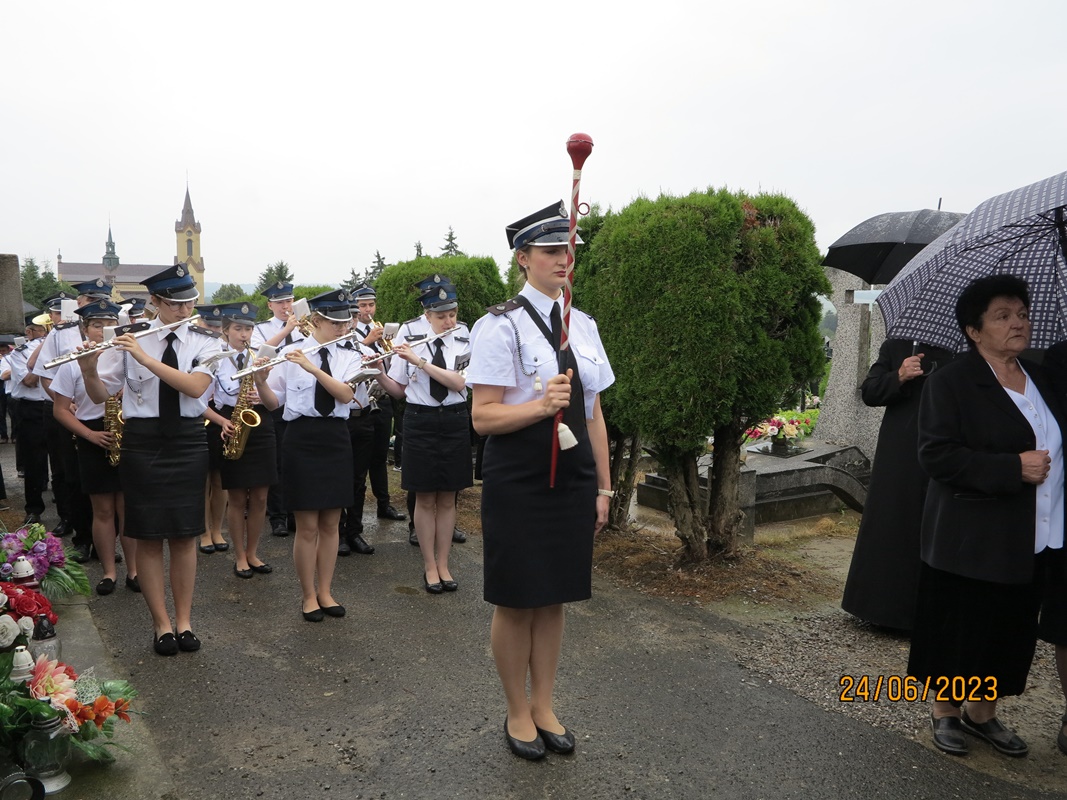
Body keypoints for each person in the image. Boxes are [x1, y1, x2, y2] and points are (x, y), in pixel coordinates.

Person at [467, 203, 614, 760]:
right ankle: (516, 710)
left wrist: (603, 487)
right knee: (517, 599)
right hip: (520, 478)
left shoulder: (585, 325)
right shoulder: (499, 325)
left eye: (568, 250)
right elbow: (483, 418)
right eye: (550, 251)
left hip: (573, 479)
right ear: (523, 259)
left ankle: (544, 704)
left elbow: (594, 413)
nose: (563, 260)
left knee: (554, 597)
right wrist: (539, 406)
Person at [908, 274, 1066, 758]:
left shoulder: (1041, 377)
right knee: (962, 626)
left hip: (1035, 533)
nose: (1018, 323)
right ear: (974, 331)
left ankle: (982, 713)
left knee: (1007, 629)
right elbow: (936, 455)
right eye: (1003, 316)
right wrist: (1012, 468)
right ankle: (946, 711)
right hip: (971, 535)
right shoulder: (952, 381)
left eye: (1022, 314)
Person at [78, 265, 223, 656]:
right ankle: (161, 625)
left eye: (189, 303)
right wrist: (89, 370)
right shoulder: (130, 339)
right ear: (155, 302)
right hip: (142, 443)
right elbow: (99, 395)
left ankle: (185, 621)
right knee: (148, 535)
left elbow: (195, 386)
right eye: (175, 304)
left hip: (188, 440)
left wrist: (144, 358)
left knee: (185, 535)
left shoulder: (204, 340)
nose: (185, 310)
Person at [841, 338, 954, 630]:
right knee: (893, 522)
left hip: (947, 446)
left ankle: (933, 616)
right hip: (901, 449)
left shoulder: (965, 350)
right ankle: (881, 609)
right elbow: (870, 391)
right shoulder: (898, 346)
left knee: (938, 527)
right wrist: (900, 375)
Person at [266, 289, 361, 622]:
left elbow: (346, 394)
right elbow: (273, 402)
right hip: (301, 437)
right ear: (316, 320)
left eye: (345, 322)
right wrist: (260, 380)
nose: (342, 328)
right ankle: (308, 595)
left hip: (335, 437)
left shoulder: (349, 354)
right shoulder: (289, 353)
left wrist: (312, 368)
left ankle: (326, 591)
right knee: (307, 526)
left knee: (332, 522)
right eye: (335, 323)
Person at [374, 276, 472, 593]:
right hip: (420, 420)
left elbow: (459, 383)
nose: (449, 321)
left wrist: (420, 361)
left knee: (448, 497)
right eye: (441, 316)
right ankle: (430, 565)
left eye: (452, 314)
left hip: (455, 418)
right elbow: (399, 390)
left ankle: (444, 564)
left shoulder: (464, 335)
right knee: (425, 497)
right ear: (427, 315)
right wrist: (378, 372)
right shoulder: (409, 335)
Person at [50, 299, 138, 595]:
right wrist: (89, 435)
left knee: (127, 508)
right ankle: (109, 572)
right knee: (102, 510)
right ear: (84, 329)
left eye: (109, 324)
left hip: (127, 433)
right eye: (97, 325)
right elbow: (60, 410)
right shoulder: (72, 362)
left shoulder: (129, 356)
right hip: (94, 434)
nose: (103, 330)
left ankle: (134, 570)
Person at [203, 303, 279, 578]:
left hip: (260, 422)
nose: (244, 334)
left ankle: (253, 552)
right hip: (229, 422)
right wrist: (221, 421)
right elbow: (199, 403)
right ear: (225, 331)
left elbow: (273, 404)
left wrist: (261, 384)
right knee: (236, 497)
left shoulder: (262, 357)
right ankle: (239, 556)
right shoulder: (213, 358)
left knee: (260, 496)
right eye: (238, 328)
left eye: (248, 328)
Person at [338, 285, 405, 557]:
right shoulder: (339, 345)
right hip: (344, 416)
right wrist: (366, 345)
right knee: (342, 476)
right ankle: (339, 533)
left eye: (357, 315)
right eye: (353, 314)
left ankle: (355, 531)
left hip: (368, 411)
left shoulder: (361, 341)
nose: (356, 319)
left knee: (359, 476)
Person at [252, 281, 306, 538]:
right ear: (270, 305)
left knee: (299, 462)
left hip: (301, 400)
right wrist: (286, 330)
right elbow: (259, 355)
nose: (286, 306)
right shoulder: (261, 329)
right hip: (274, 399)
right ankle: (278, 516)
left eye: (289, 301)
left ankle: (296, 513)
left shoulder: (305, 326)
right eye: (280, 302)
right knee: (278, 462)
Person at [7, 316, 50, 526]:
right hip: (31, 408)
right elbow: (30, 381)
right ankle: (33, 509)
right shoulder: (21, 352)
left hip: (57, 405)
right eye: (42, 330)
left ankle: (68, 514)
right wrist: (44, 350)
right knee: (34, 461)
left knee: (63, 463)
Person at [196, 305, 229, 555]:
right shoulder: (194, 352)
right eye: (209, 326)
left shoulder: (227, 354)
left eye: (218, 327)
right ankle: (204, 531)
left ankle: (217, 529)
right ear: (199, 324)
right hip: (201, 419)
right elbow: (197, 399)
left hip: (221, 420)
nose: (214, 331)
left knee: (220, 480)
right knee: (203, 480)